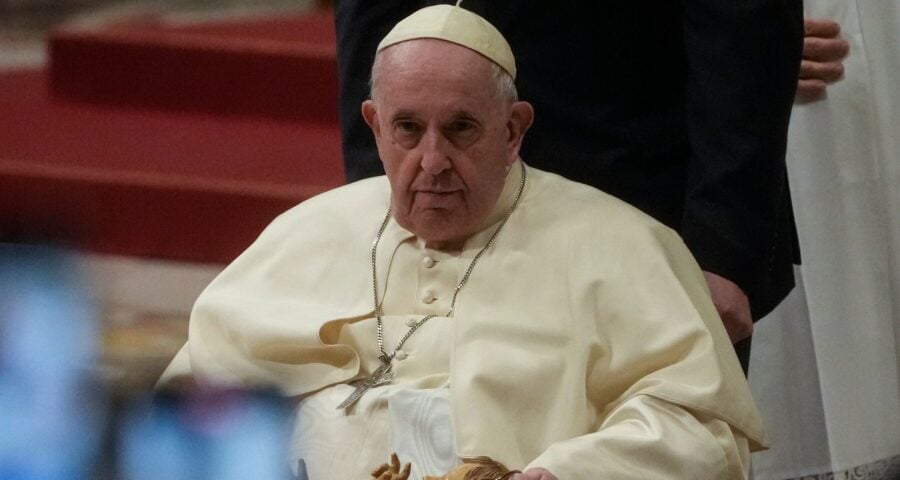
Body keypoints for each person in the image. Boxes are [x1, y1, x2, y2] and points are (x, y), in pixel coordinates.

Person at [160, 5, 767, 479]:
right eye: (407, 129)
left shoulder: (623, 244)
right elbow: (185, 409)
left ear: (513, 129)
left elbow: (700, 434)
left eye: (460, 129)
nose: (432, 161)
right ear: (373, 124)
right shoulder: (306, 234)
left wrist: (567, 475)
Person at [334, 0, 806, 372]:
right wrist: (382, 192)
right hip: (445, 195)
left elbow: (745, 26)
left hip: (641, 188)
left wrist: (723, 245)